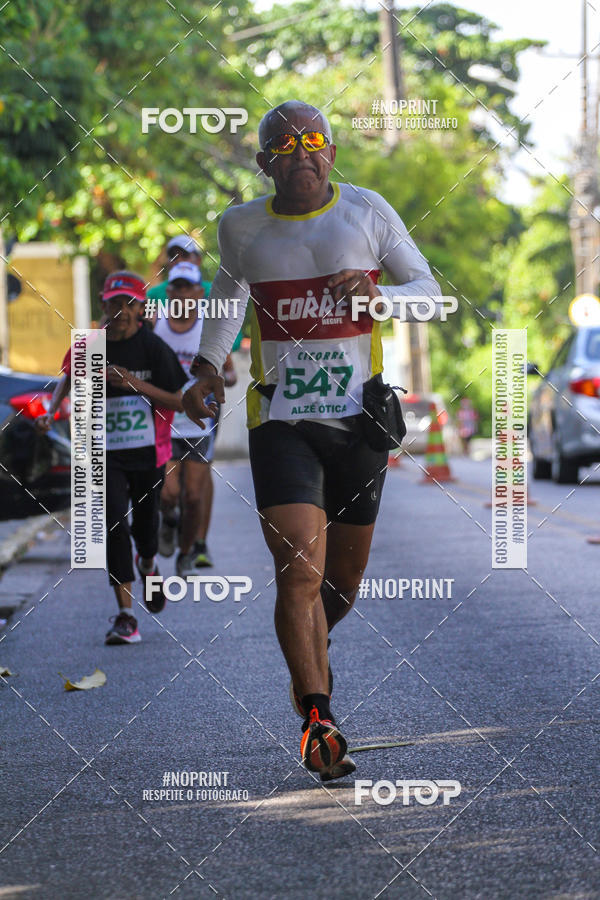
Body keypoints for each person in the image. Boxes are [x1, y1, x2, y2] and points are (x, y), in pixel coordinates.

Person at [182, 100, 441, 780]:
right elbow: (230, 294)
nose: (303, 151)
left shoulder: (366, 212)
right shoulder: (241, 227)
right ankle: (318, 719)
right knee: (299, 570)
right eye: (285, 144)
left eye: (315, 140)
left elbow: (431, 293)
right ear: (265, 162)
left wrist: (378, 299)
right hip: (283, 423)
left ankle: (309, 655)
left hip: (359, 423)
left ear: (331, 153)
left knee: (342, 586)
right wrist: (208, 365)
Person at [37, 271, 188, 644]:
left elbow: (178, 400)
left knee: (146, 524)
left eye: (128, 303)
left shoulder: (153, 348)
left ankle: (149, 564)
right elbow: (67, 376)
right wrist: (51, 409)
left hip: (147, 450)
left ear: (140, 309)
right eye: (114, 303)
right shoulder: (90, 344)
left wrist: (133, 384)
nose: (120, 310)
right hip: (104, 451)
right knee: (114, 524)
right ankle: (125, 616)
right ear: (103, 305)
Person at [154, 261, 237, 574]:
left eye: (189, 287)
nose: (183, 293)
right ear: (170, 291)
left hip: (201, 422)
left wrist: (218, 380)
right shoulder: (156, 326)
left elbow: (228, 374)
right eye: (177, 287)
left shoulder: (209, 328)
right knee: (169, 492)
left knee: (192, 496)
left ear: (199, 292)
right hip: (165, 420)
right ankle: (169, 520)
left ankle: (185, 552)